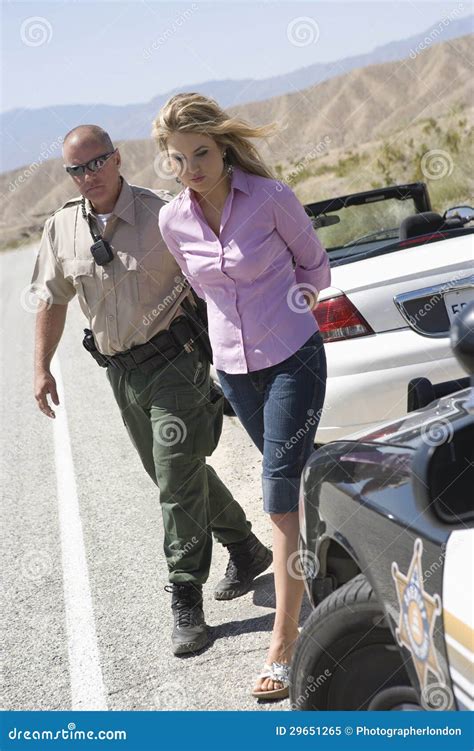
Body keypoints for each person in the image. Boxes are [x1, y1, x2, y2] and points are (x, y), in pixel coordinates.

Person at [31, 124, 272, 657]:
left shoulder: (165, 214)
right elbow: (51, 299)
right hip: (121, 373)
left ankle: (186, 594)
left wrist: (239, 354)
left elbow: (214, 281)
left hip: (176, 366)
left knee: (174, 480)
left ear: (117, 159)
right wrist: (41, 367)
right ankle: (247, 547)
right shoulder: (63, 228)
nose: (89, 176)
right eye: (77, 169)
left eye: (97, 163)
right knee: (175, 473)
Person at [153, 93, 331, 700]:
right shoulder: (172, 220)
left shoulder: (271, 198)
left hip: (294, 359)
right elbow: (200, 292)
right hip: (234, 370)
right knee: (298, 475)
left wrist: (289, 321)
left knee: (278, 493)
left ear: (223, 146)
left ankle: (283, 645)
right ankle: (340, 558)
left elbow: (315, 267)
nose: (192, 167)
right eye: (179, 159)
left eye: (201, 152)